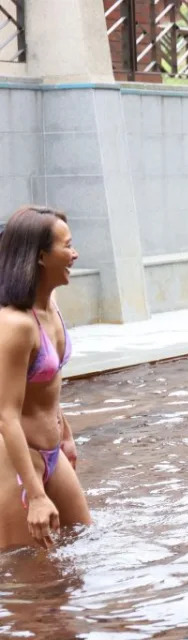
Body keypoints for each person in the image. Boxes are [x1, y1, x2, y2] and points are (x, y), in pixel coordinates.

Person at [0, 205, 90, 549]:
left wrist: (65, 435)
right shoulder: (15, 324)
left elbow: (49, 386)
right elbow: (6, 414)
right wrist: (35, 496)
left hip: (53, 452)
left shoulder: (51, 307)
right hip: (15, 463)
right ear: (40, 257)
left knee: (82, 546)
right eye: (67, 246)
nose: (75, 254)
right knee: (31, 580)